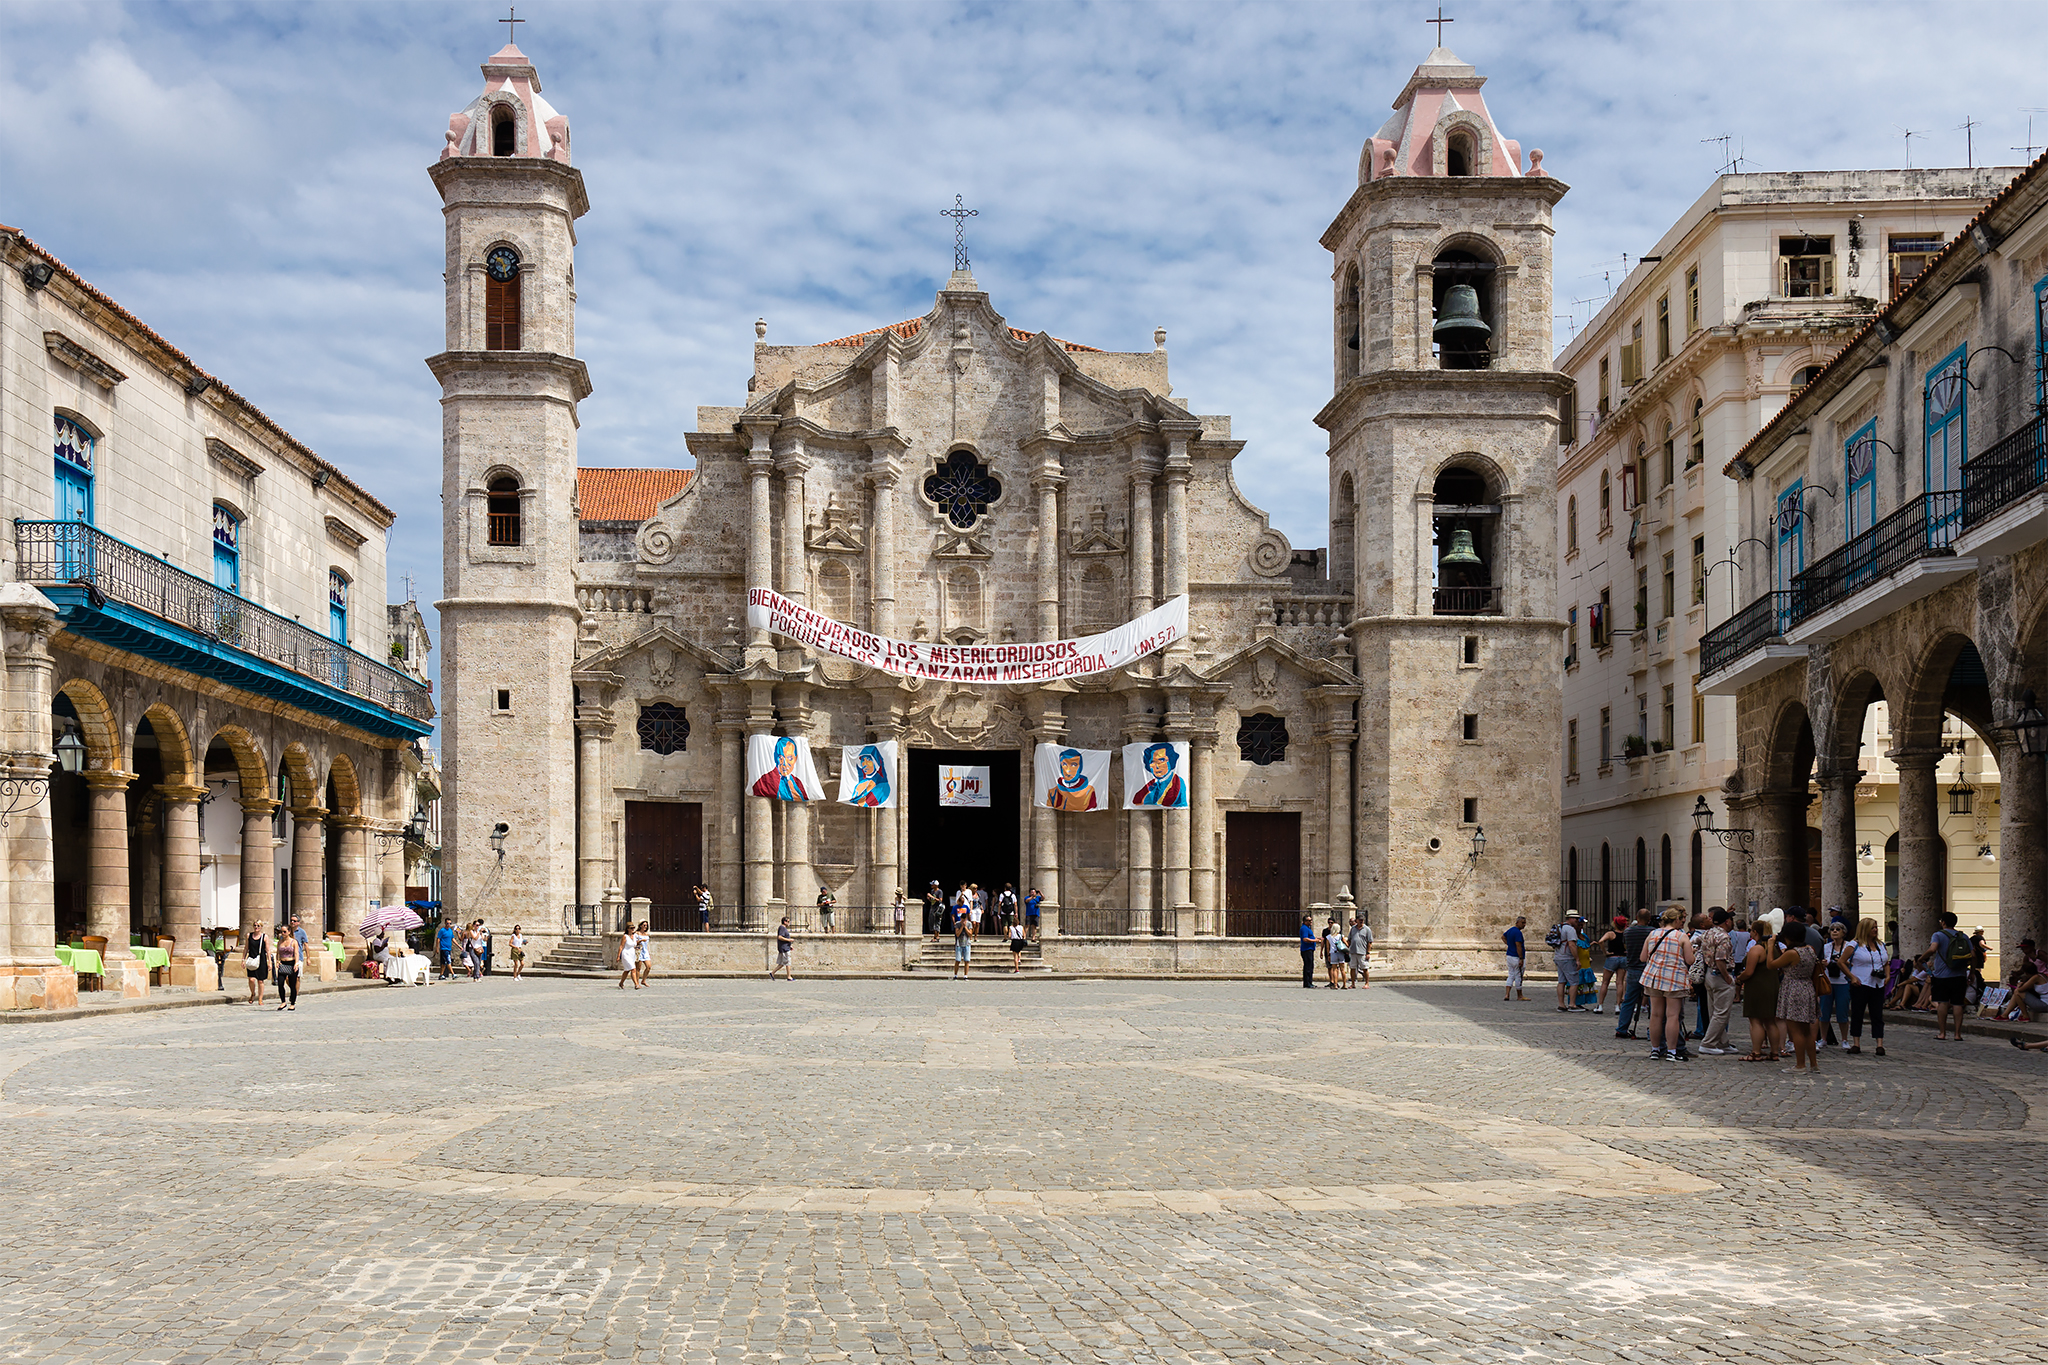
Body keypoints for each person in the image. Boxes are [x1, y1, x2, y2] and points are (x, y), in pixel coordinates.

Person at [1638, 908, 1694, 1061]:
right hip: (1674, 978)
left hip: (1654, 977)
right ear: (1677, 920)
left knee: (1655, 1015)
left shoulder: (1653, 934)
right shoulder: (1681, 936)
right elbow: (1690, 960)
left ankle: (1655, 1050)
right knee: (1672, 1016)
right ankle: (1672, 1051)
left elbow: (1643, 957)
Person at [1768, 923, 1822, 1073]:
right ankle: (1813, 1064)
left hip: (1793, 989)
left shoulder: (1792, 953)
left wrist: (1771, 946)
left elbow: (1771, 965)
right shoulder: (1810, 949)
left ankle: (1800, 1065)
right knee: (1806, 1031)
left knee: (1795, 1030)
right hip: (1807, 987)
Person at [1733, 920, 1783, 1062]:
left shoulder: (1757, 949)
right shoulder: (1774, 948)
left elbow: (1749, 971)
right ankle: (1774, 1052)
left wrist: (1739, 979)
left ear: (1755, 932)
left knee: (1755, 1021)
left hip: (1757, 987)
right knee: (1770, 1021)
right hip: (1771, 985)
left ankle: (1756, 1052)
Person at [1844, 917, 1888, 1056]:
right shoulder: (1855, 945)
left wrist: (1888, 976)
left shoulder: (1881, 945)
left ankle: (1879, 1044)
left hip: (1877, 984)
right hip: (1861, 983)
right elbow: (1841, 962)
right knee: (1858, 1013)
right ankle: (1856, 1043)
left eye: (1876, 927)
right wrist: (1852, 977)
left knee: (1877, 1014)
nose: (1875, 930)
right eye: (1872, 927)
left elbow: (1886, 963)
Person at [1697, 908, 1739, 1054]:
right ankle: (1708, 1043)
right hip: (1720, 975)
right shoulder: (1723, 937)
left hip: (1709, 974)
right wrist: (1727, 977)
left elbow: (1694, 942)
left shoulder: (1708, 933)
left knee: (1714, 1011)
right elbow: (1720, 959)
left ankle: (1722, 1042)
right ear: (1727, 922)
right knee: (1721, 1013)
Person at [1928, 911, 1972, 1041]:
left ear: (1943, 922)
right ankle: (1957, 1034)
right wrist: (1973, 972)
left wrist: (1923, 958)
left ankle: (1942, 1033)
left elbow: (1933, 949)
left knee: (1942, 1003)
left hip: (1942, 975)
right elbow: (1973, 955)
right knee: (1958, 1003)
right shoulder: (1963, 937)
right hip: (1959, 975)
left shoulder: (1938, 935)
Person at [1615, 908, 1656, 1038]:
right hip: (1648, 969)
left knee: (1628, 1000)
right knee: (1653, 1002)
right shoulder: (1653, 932)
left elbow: (1626, 946)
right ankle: (1652, 1031)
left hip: (1632, 968)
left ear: (1637, 918)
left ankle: (1621, 1028)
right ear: (1649, 920)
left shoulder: (1628, 932)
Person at [1817, 922, 1852, 1047]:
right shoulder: (1826, 947)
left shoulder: (1849, 947)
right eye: (1832, 929)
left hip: (1843, 982)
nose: (1835, 931)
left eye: (1838, 929)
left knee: (1842, 1011)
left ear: (1844, 932)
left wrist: (1843, 962)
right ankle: (1824, 1038)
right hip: (1828, 982)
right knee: (1824, 1011)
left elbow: (1853, 963)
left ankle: (1844, 1039)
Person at [1594, 915, 1628, 1014]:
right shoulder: (1626, 934)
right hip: (1623, 958)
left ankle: (1600, 1005)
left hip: (1612, 958)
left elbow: (1600, 941)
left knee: (1605, 982)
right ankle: (1618, 1006)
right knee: (1620, 982)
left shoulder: (1611, 933)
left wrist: (1605, 952)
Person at [1552, 913, 1584, 1011]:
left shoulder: (1560, 927)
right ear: (1570, 918)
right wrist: (1577, 959)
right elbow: (1572, 945)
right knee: (1574, 981)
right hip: (1567, 958)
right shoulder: (1570, 930)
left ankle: (1561, 1005)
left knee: (1561, 981)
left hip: (1558, 956)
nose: (1577, 921)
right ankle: (1572, 1005)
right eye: (1576, 919)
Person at [273, 921, 301, 1012]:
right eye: (281, 932)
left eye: (284, 932)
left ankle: (292, 1003)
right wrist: (277, 961)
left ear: (289, 932)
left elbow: (296, 953)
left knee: (292, 984)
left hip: (291, 963)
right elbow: (278, 953)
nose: (282, 933)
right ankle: (283, 1001)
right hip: (283, 964)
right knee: (280, 983)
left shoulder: (293, 942)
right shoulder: (280, 942)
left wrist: (296, 963)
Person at [1502, 916, 1527, 1001]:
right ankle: (1519, 995)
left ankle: (1507, 994)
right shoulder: (1518, 933)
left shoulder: (1510, 930)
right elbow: (1518, 946)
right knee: (1518, 976)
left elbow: (1503, 937)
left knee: (1511, 975)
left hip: (1509, 955)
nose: (1524, 925)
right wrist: (1521, 958)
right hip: (1516, 957)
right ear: (1517, 922)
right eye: (1522, 923)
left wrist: (1509, 945)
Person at [244, 923, 269, 1006]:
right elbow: (246, 948)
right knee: (251, 979)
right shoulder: (249, 935)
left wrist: (270, 962)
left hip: (261, 960)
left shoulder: (264, 937)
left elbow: (268, 950)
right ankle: (253, 993)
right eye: (255, 925)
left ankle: (260, 998)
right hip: (251, 958)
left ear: (261, 927)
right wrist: (243, 959)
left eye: (258, 926)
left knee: (260, 980)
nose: (256, 927)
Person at [1348, 915, 1373, 989]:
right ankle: (1353, 983)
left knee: (1365, 968)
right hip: (1353, 951)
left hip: (1362, 952)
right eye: (1360, 920)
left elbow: (1369, 942)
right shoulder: (1353, 929)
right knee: (1352, 968)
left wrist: (1368, 952)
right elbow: (1349, 939)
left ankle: (1367, 983)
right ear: (1357, 920)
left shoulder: (1367, 929)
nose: (1361, 921)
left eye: (1362, 920)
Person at [1324, 916, 1348, 989]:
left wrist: (1328, 955)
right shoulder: (1341, 936)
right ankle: (1344, 984)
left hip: (1333, 953)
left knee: (1334, 969)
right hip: (1340, 953)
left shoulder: (1328, 937)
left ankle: (1335, 984)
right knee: (1342, 969)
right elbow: (1346, 944)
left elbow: (1327, 947)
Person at [771, 916, 795, 981]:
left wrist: (789, 945)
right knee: (788, 962)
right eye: (788, 922)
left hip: (785, 947)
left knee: (782, 963)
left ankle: (772, 973)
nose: (789, 923)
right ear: (785, 922)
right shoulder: (782, 928)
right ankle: (789, 976)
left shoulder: (783, 928)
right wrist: (789, 940)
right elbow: (780, 937)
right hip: (784, 949)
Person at [1298, 914, 1318, 988]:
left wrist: (1316, 938)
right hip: (1306, 949)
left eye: (1311, 920)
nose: (1311, 922)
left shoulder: (1308, 928)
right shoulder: (1304, 928)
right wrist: (1315, 940)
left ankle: (1309, 981)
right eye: (1309, 920)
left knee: (1310, 966)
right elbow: (1305, 939)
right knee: (1308, 966)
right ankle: (1307, 983)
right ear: (1305, 921)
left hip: (1310, 949)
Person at [953, 907, 973, 979]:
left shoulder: (969, 924)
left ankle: (965, 975)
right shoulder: (957, 924)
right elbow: (957, 934)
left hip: (967, 943)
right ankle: (955, 974)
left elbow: (970, 934)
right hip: (959, 944)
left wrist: (966, 927)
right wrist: (962, 927)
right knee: (958, 960)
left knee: (967, 960)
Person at [634, 920, 652, 986]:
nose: (645, 927)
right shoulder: (636, 934)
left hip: (645, 951)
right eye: (644, 925)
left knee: (648, 966)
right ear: (640, 925)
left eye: (646, 925)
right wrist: (640, 940)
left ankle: (643, 980)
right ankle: (637, 983)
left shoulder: (646, 934)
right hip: (639, 951)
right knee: (638, 968)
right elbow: (634, 943)